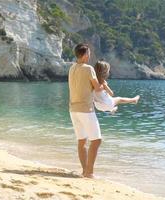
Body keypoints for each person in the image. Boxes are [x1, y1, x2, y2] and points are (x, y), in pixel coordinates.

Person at [68, 43, 103, 178]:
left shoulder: (71, 68)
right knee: (96, 140)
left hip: (73, 109)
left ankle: (85, 171)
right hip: (85, 110)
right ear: (84, 55)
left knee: (81, 141)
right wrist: (103, 84)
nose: (90, 56)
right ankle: (89, 172)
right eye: (88, 53)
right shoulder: (88, 69)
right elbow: (97, 88)